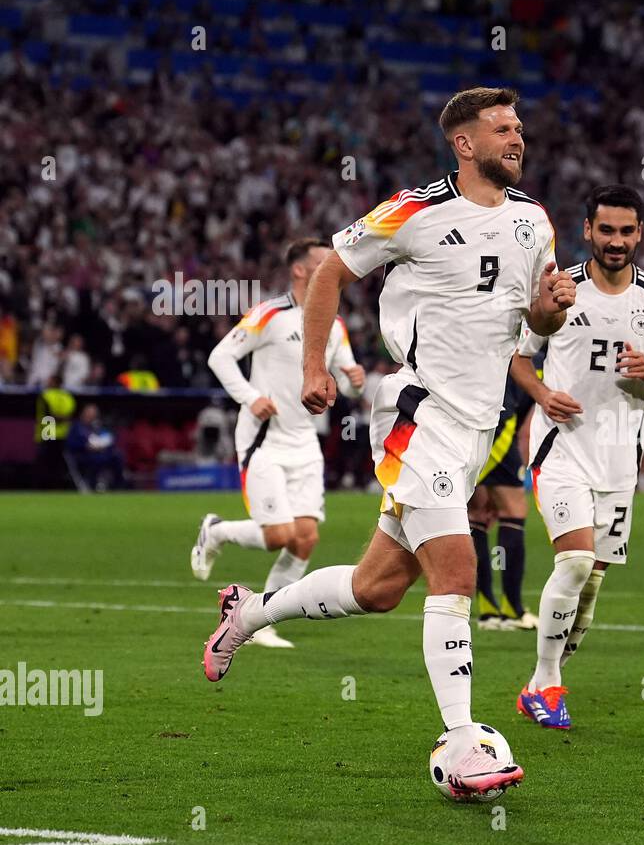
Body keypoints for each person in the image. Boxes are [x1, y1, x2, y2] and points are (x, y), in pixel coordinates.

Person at [200, 86, 575, 798]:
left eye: (520, 127)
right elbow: (332, 273)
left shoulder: (534, 221)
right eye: (503, 129)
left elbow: (532, 325)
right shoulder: (414, 210)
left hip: (474, 427)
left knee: (377, 589)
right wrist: (314, 365)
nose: (517, 138)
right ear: (464, 145)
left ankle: (246, 613)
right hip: (416, 412)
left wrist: (550, 313)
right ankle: (464, 745)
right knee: (458, 569)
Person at [509, 184, 644, 729]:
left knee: (592, 584)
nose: (615, 241)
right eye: (605, 230)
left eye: (626, 231)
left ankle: (549, 670)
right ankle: (546, 684)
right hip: (560, 449)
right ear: (587, 230)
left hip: (619, 461)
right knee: (577, 561)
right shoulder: (561, 288)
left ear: (639, 234)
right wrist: (542, 395)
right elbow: (518, 357)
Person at [190, 238, 364, 649]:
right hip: (264, 439)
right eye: (324, 262)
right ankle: (215, 531)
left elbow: (342, 382)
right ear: (301, 270)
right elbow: (220, 357)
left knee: (305, 538)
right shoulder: (269, 314)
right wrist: (251, 398)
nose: (334, 267)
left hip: (305, 440)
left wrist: (353, 379)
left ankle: (261, 620)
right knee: (279, 535)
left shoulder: (334, 324)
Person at [470, 371, 539, 631]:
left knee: (476, 514)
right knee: (513, 509)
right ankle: (511, 609)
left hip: (472, 417)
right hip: (499, 421)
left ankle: (488, 610)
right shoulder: (537, 350)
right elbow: (525, 400)